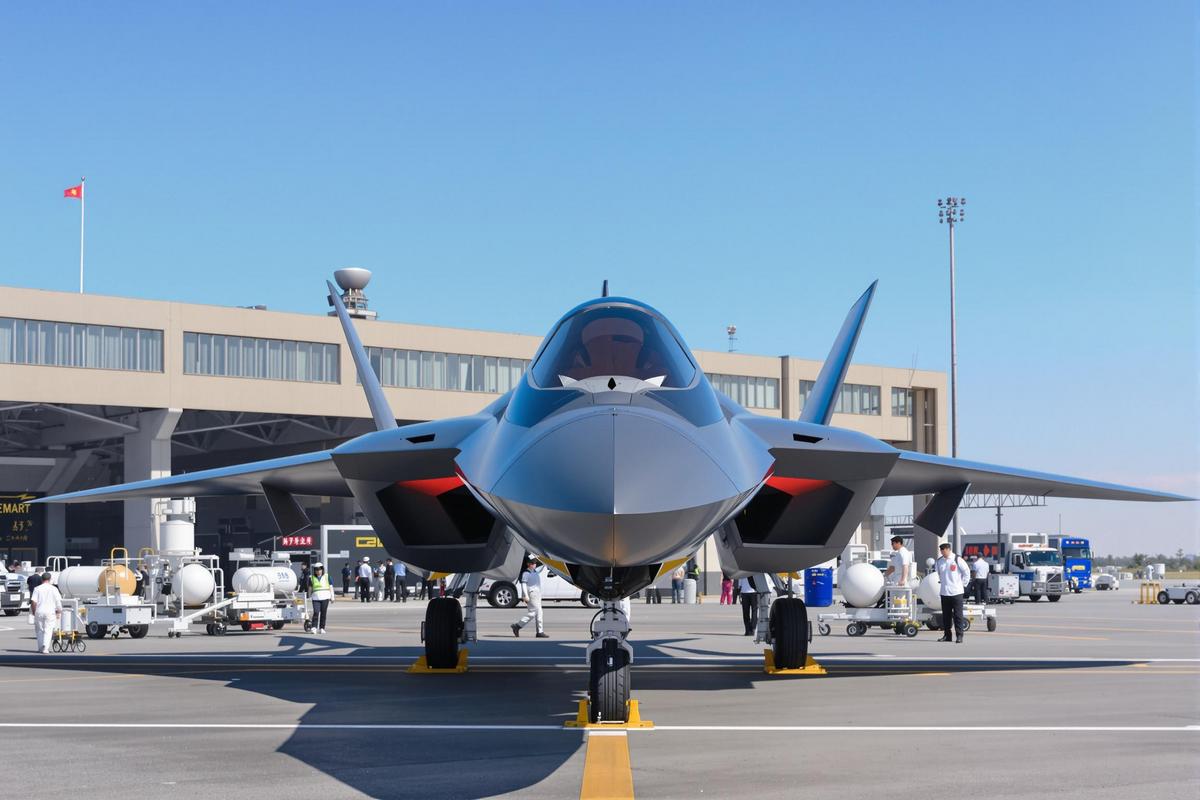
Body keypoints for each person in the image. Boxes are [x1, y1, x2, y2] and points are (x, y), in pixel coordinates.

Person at [935, 543, 970, 643]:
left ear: (948, 549)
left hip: (957, 592)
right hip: (944, 592)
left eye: (943, 550)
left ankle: (959, 635)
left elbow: (966, 572)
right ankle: (947, 635)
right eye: (941, 550)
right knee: (946, 616)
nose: (942, 552)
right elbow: (938, 574)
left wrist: (962, 585)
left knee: (958, 615)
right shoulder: (939, 561)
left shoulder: (957, 559)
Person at [511, 560, 549, 638]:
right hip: (531, 594)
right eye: (532, 563)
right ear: (528, 564)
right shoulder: (526, 573)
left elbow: (542, 566)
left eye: (535, 563)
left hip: (537, 594)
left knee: (539, 613)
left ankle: (540, 632)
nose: (534, 565)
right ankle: (517, 626)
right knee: (533, 612)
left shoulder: (535, 572)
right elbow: (523, 584)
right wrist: (525, 595)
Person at [30, 573, 63, 654]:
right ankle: (45, 647)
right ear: (50, 579)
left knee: (39, 630)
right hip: (50, 612)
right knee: (48, 630)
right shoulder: (54, 589)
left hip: (39, 611)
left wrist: (34, 612)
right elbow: (58, 601)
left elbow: (33, 602)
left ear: (42, 579)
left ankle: (40, 647)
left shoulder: (37, 588)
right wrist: (59, 610)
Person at [309, 562, 332, 634]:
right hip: (316, 598)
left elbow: (331, 587)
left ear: (322, 570)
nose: (318, 571)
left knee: (323, 613)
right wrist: (309, 596)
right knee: (316, 612)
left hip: (325, 597)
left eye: (319, 570)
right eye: (316, 570)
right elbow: (310, 588)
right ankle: (314, 627)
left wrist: (332, 597)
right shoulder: (311, 577)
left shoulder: (327, 576)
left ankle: (322, 628)